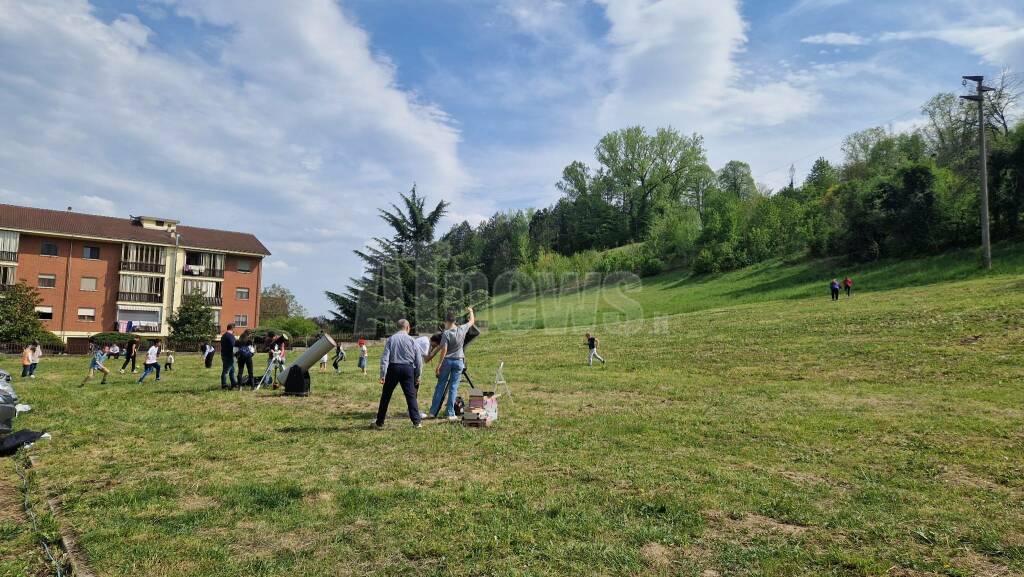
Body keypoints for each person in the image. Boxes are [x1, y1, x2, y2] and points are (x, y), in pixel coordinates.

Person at [372, 319, 423, 429]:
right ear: (408, 327)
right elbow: (418, 359)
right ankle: (417, 422)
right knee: (411, 396)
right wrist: (418, 375)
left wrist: (382, 374)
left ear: (397, 327)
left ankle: (379, 422)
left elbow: (385, 358)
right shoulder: (412, 340)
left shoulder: (391, 339)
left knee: (386, 396)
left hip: (393, 368)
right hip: (408, 369)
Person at [427, 306, 475, 421]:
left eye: (444, 322)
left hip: (447, 361)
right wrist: (471, 311)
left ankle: (433, 412)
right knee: (453, 387)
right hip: (459, 361)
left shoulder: (446, 334)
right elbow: (472, 321)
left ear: (447, 322)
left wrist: (439, 365)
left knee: (440, 386)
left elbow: (444, 350)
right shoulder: (462, 329)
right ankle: (450, 413)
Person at [221, 323, 237, 390]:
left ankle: (234, 383)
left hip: (224, 354)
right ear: (233, 328)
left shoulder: (223, 336)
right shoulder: (231, 336)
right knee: (226, 371)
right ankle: (224, 385)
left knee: (232, 370)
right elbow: (233, 346)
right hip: (229, 355)